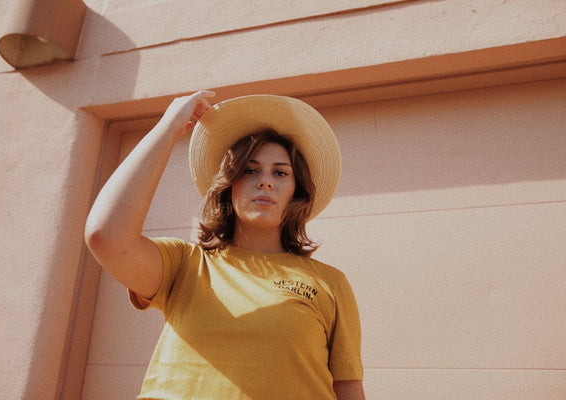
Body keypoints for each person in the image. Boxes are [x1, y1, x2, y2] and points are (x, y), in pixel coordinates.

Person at [85, 90, 365, 399]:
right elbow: (105, 236)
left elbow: (349, 389)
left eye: (281, 172)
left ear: (296, 193)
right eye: (249, 169)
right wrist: (169, 126)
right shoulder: (185, 264)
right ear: (228, 185)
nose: (265, 181)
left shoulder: (329, 283)